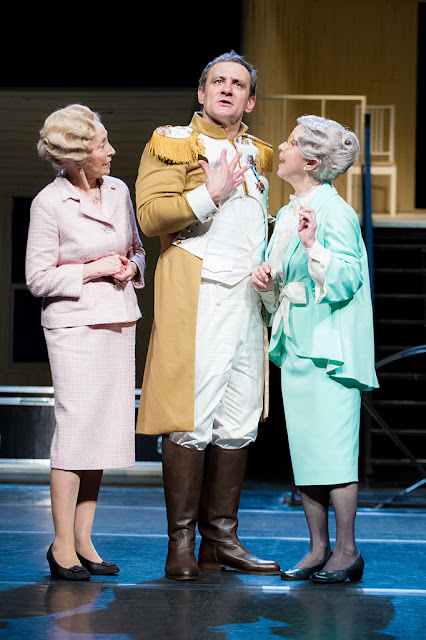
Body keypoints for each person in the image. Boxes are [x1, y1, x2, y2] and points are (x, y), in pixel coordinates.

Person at [135, 51, 281, 580]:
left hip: (247, 301)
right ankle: (180, 542)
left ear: (250, 101)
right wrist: (209, 194)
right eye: (217, 81)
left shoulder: (257, 156)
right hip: (200, 295)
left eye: (237, 84)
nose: (226, 88)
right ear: (201, 93)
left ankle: (220, 539)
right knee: (190, 417)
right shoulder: (173, 142)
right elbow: (150, 216)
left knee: (238, 420)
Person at [252, 115, 379, 583]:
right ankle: (318, 548)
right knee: (307, 451)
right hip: (298, 346)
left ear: (309, 161)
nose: (281, 148)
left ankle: (347, 550)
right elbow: (288, 287)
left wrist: (311, 246)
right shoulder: (290, 212)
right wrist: (267, 283)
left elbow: (348, 278)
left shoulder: (335, 212)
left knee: (335, 452)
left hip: (330, 351)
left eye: (290, 142)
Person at [25, 104, 146, 580]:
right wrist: (94, 269)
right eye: (101, 145)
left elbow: (136, 248)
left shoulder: (118, 190)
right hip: (74, 328)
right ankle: (60, 545)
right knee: (76, 433)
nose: (111, 151)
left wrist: (133, 266)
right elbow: (38, 278)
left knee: (100, 435)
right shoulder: (48, 203)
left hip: (118, 320)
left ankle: (83, 540)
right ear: (76, 155)